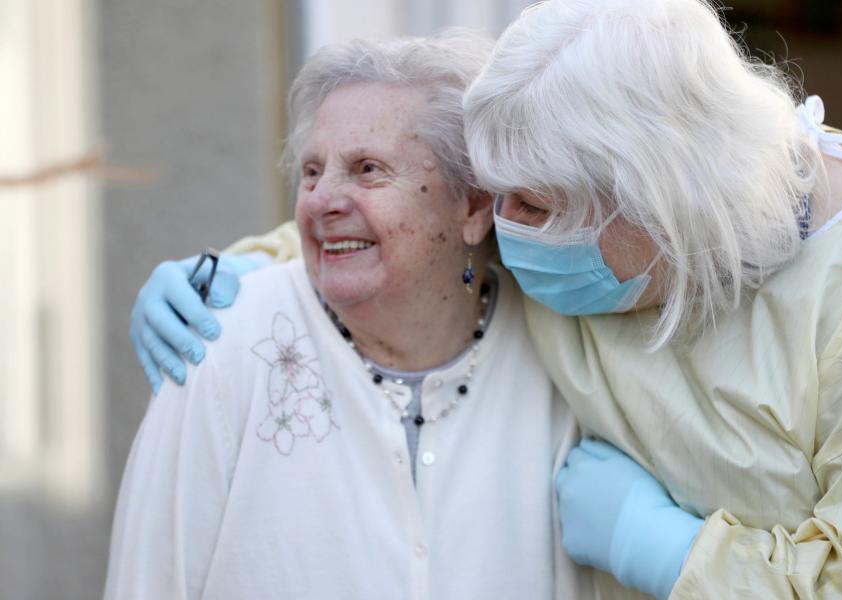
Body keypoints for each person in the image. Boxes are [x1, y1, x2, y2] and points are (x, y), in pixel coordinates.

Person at [131, 1, 842, 598]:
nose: (503, 227)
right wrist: (247, 269)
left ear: (660, 204)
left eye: (531, 206)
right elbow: (424, 221)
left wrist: (671, 554)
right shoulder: (581, 207)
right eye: (497, 197)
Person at [106, 31, 598, 599]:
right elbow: (147, 584)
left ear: (472, 205)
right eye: (312, 172)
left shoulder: (555, 354)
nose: (320, 201)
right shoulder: (222, 341)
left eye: (367, 169)